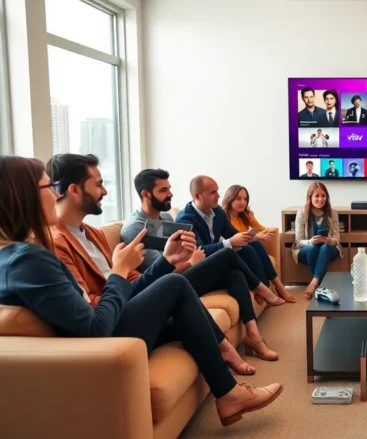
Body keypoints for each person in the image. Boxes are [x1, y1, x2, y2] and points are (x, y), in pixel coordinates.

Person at [0, 156, 282, 427]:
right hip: (103, 341)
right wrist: (119, 272)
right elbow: (95, 326)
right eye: (49, 187)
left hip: (113, 318)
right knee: (176, 284)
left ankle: (229, 388)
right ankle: (231, 380)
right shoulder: (30, 258)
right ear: (23, 195)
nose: (55, 194)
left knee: (185, 301)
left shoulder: (65, 242)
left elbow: (124, 292)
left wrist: (165, 261)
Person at [118, 168, 280, 362]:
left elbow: (184, 251)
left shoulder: (166, 218)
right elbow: (160, 272)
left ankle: (253, 335)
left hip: (186, 272)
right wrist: (191, 262)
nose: (171, 194)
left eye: (169, 188)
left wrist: (190, 258)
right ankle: (262, 288)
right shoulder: (136, 228)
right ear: (145, 194)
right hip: (167, 285)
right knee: (227, 254)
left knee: (235, 274)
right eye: (163, 190)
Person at [175, 175, 287, 310]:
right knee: (234, 252)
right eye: (213, 192)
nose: (218, 195)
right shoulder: (185, 219)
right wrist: (230, 242)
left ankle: (266, 287)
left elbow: (233, 234)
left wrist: (249, 237)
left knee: (252, 245)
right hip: (200, 265)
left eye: (217, 191)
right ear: (197, 196)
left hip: (217, 257)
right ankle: (263, 290)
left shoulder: (217, 211)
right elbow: (199, 251)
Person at [221, 184, 295, 303]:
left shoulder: (246, 215)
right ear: (230, 198)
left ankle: (276, 285)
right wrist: (255, 237)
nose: (243, 202)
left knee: (256, 245)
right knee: (254, 245)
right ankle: (270, 287)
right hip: (233, 251)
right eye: (238, 199)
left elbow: (262, 229)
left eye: (245, 199)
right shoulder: (223, 217)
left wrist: (257, 232)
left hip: (246, 248)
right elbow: (232, 239)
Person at [292, 182, 342, 299]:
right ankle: (318, 284)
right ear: (310, 197)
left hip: (328, 249)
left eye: (323, 196)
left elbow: (337, 238)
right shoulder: (302, 213)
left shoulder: (332, 212)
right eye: (316, 196)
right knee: (313, 248)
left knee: (324, 247)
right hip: (307, 249)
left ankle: (314, 282)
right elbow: (298, 241)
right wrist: (310, 241)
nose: (320, 199)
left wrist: (329, 240)